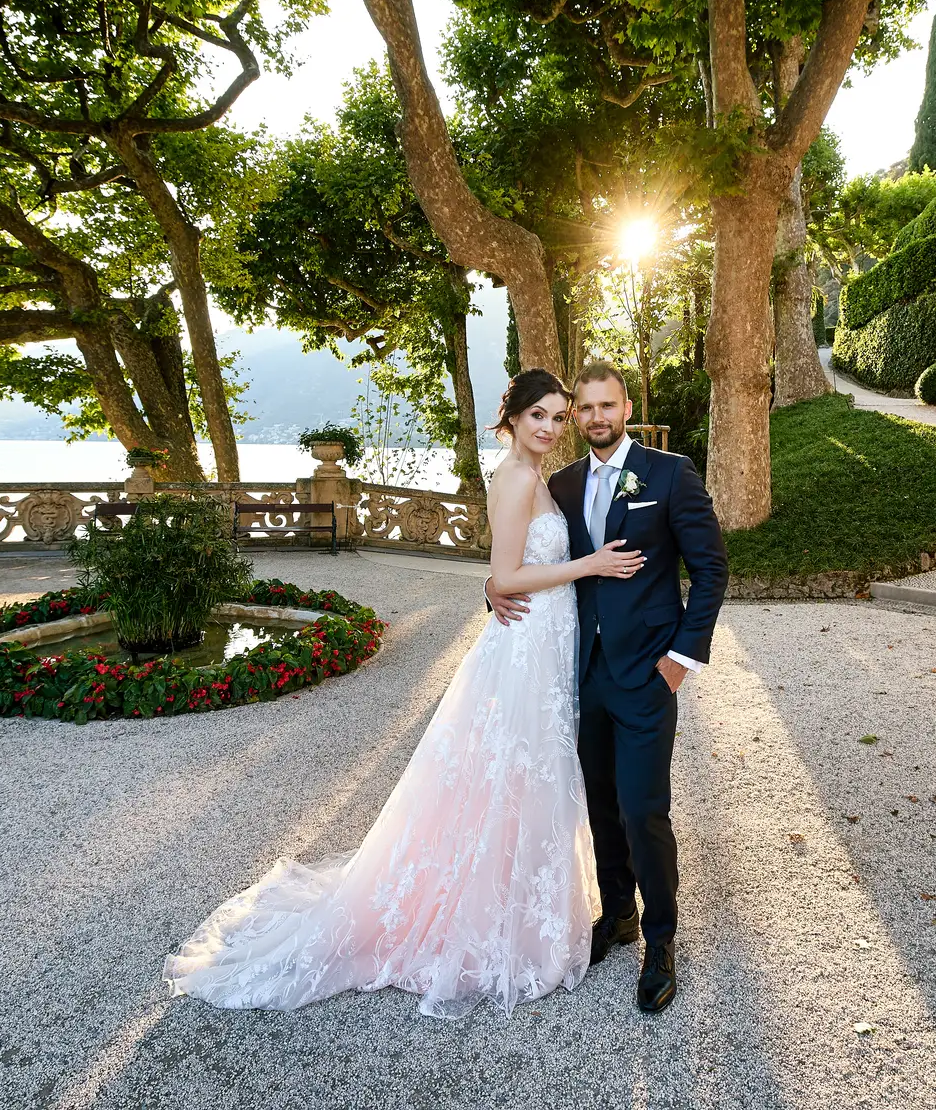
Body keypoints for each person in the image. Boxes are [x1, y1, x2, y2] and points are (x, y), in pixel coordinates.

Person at [162, 369, 641, 1018]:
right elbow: (507, 574)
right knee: (515, 769)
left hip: (547, 642)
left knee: (527, 777)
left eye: (560, 418)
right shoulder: (518, 477)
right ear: (513, 419)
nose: (552, 428)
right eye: (540, 416)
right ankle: (491, 917)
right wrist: (587, 565)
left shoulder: (539, 480)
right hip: (525, 648)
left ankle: (517, 901)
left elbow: (504, 573)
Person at [487, 361, 728, 1014]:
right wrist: (493, 586)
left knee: (643, 809)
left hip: (648, 674)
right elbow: (531, 562)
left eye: (605, 405)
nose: (594, 417)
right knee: (598, 805)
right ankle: (618, 913)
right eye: (583, 409)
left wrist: (681, 660)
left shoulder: (670, 474)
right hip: (580, 676)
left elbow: (711, 571)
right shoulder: (559, 484)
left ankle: (661, 940)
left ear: (627, 407)